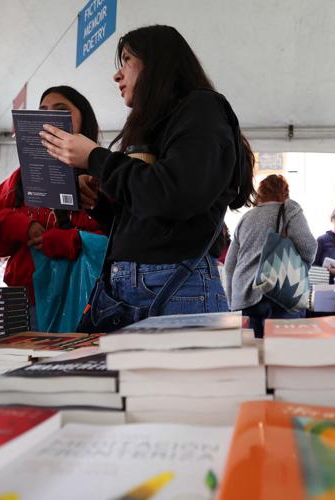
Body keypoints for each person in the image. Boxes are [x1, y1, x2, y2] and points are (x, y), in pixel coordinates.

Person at [40, 25, 255, 330]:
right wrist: (100, 204)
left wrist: (96, 158)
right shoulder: (156, 124)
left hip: (176, 287)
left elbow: (176, 193)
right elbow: (150, 220)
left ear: (158, 64)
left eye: (127, 59)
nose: (117, 75)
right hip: (128, 287)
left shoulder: (202, 107)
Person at [0, 85, 103, 330]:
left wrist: (72, 240)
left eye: (61, 110)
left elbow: (117, 243)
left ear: (83, 121)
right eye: (43, 110)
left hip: (85, 301)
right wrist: (20, 226)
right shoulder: (19, 180)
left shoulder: (102, 176)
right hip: (24, 304)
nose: (49, 117)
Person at [224, 175, 316, 338]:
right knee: (281, 355)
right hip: (278, 293)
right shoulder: (290, 210)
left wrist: (233, 301)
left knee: (251, 356)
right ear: (285, 193)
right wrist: (300, 268)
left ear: (260, 194)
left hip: (244, 299)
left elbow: (230, 265)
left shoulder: (246, 218)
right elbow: (308, 246)